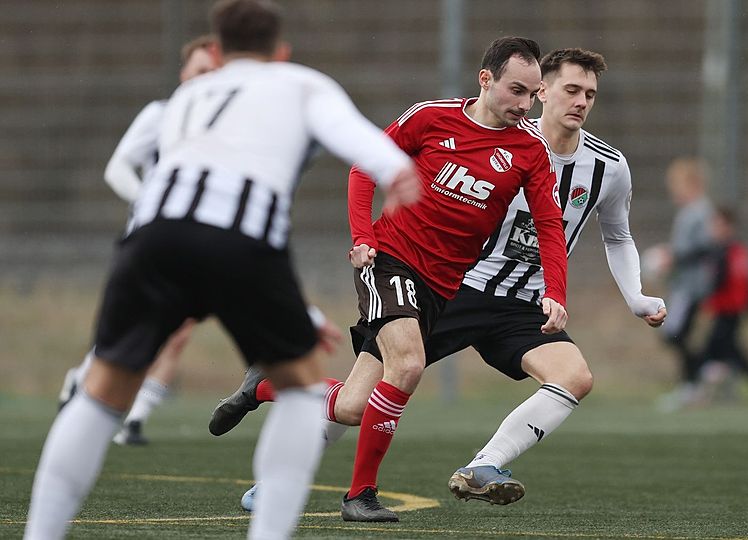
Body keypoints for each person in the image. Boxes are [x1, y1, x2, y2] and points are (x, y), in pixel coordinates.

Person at [23, 1, 420, 539]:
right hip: (240, 242)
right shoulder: (301, 84)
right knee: (303, 393)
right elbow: (361, 143)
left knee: (100, 394)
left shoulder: (185, 98)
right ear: (281, 53)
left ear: (215, 51)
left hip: (150, 241)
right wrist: (395, 172)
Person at [213, 47, 667, 516]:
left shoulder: (597, 165)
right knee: (358, 401)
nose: (581, 101)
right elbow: (369, 165)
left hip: (520, 305)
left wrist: (613, 295)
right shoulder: (464, 123)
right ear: (541, 90)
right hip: (453, 287)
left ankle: (484, 465)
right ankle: (285, 476)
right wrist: (365, 235)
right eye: (571, 89)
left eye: (590, 94)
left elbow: (586, 231)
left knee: (575, 377)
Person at [56, 34, 219, 446]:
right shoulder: (160, 115)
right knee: (134, 328)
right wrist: (154, 205)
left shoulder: (224, 126)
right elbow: (118, 168)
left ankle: (134, 421)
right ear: (184, 73)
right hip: (152, 243)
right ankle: (82, 382)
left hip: (196, 243)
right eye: (201, 70)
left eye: (215, 71)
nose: (208, 79)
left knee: (177, 331)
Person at [647, 158, 715, 411]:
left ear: (692, 184)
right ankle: (697, 379)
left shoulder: (700, 211)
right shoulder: (689, 212)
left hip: (692, 287)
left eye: (677, 187)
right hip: (682, 285)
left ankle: (698, 377)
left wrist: (672, 257)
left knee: (674, 333)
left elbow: (705, 247)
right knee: (676, 333)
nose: (674, 193)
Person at [697, 206, 748, 401]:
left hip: (729, 309)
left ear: (729, 227)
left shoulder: (727, 252)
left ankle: (703, 387)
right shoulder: (735, 251)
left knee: (717, 349)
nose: (714, 229)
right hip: (728, 309)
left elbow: (728, 281)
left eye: (718, 225)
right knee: (728, 349)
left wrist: (703, 299)